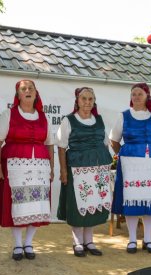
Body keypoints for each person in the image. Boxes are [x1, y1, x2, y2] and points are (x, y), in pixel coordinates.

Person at [0, 79, 54, 261]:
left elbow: (49, 143)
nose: (28, 91)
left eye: (31, 88)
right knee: (17, 204)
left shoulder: (44, 117)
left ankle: (29, 242)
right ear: (18, 94)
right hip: (15, 167)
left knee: (37, 203)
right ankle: (17, 243)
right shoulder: (9, 115)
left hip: (40, 167)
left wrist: (52, 167)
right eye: (23, 89)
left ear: (36, 93)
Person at [109, 83, 151, 254]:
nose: (136, 97)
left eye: (139, 94)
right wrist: (125, 153)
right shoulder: (123, 116)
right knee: (131, 200)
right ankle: (132, 240)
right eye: (133, 94)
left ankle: (148, 239)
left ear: (147, 96)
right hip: (130, 165)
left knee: (150, 200)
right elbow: (114, 140)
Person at [57, 87, 112, 257]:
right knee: (78, 204)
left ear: (94, 101)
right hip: (77, 168)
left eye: (90, 99)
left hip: (97, 169)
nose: (87, 102)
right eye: (84, 99)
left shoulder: (100, 120)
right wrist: (64, 171)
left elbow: (105, 143)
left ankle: (89, 241)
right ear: (77, 101)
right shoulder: (69, 120)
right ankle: (77, 242)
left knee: (93, 203)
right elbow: (61, 146)